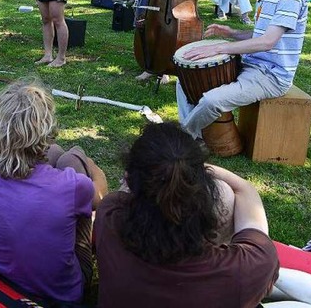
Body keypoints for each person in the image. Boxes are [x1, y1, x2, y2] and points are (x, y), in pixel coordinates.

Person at [94, 122, 279, 308]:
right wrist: (189, 168)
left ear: (129, 180)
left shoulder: (109, 215)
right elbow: (245, 190)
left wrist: (165, 168)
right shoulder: (245, 269)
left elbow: (124, 196)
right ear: (203, 195)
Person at [0, 80, 108, 303]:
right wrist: (86, 160)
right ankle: (73, 157)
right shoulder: (72, 186)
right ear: (46, 129)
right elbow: (101, 196)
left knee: (57, 153)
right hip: (59, 295)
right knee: (72, 156)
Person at [177, 0, 307, 139]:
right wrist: (232, 32)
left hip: (271, 76)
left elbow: (268, 42)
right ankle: (195, 136)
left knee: (212, 101)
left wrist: (219, 47)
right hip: (251, 65)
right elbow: (261, 34)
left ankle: (182, 137)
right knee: (186, 75)